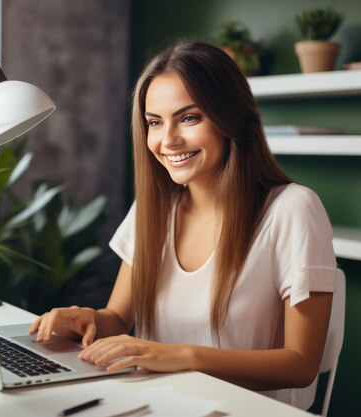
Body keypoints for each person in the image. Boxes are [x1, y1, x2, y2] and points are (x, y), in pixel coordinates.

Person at [29, 41, 338, 406]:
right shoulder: (153, 209)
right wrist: (87, 318)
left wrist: (179, 357)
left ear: (231, 118)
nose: (168, 140)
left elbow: (301, 364)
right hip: (157, 404)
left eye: (190, 117)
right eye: (155, 123)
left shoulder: (292, 209)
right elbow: (118, 317)